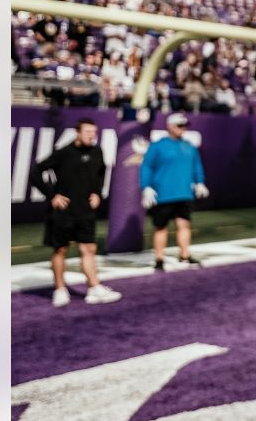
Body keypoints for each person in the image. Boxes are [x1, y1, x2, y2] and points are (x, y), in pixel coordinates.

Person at [30, 119, 122, 307]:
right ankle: (60, 290)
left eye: (94, 132)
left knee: (89, 249)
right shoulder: (63, 153)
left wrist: (97, 192)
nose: (91, 135)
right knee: (60, 250)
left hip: (85, 211)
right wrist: (52, 195)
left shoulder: (97, 151)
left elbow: (101, 172)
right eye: (88, 131)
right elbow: (35, 172)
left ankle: (94, 288)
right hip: (63, 212)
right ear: (77, 133)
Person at [140, 113, 208, 270]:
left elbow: (196, 165)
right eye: (179, 125)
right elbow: (147, 167)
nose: (182, 128)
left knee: (184, 224)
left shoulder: (189, 146)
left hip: (184, 193)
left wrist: (200, 182)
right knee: (161, 227)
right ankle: (159, 258)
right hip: (163, 194)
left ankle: (184, 255)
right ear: (169, 126)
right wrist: (146, 187)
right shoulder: (157, 146)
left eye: (184, 125)